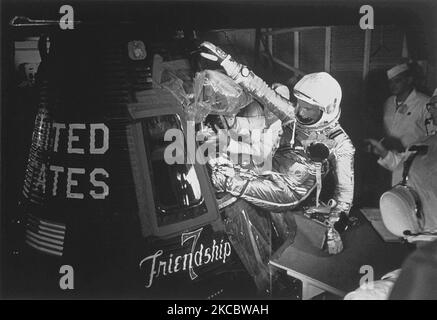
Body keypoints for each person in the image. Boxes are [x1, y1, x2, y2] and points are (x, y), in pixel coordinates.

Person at [200, 41, 355, 219]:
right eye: (299, 105)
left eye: (308, 108)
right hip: (268, 168)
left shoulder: (341, 144)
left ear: (327, 109)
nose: (301, 112)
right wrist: (227, 62)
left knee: (221, 178)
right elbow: (261, 90)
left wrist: (335, 222)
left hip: (288, 191)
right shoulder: (292, 114)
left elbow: (344, 195)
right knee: (213, 156)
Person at [366, 89, 437, 232]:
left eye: (435, 106)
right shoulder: (424, 143)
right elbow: (404, 166)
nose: (431, 111)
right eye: (431, 106)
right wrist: (383, 152)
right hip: (413, 225)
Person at [382, 63, 433, 185]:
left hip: (413, 165)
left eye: (397, 81)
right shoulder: (388, 102)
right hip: (387, 160)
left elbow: (432, 138)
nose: (393, 85)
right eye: (391, 82)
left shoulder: (424, 103)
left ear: (409, 80)